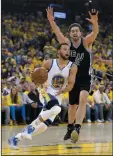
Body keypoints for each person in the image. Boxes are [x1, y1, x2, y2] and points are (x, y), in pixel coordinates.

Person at [8, 43, 78, 149]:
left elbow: (71, 85)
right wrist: (42, 83)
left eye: (68, 50)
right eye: (64, 49)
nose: (67, 51)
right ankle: (28, 130)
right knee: (57, 109)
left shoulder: (72, 67)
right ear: (59, 51)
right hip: (46, 93)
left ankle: (15, 138)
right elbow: (37, 75)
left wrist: (64, 89)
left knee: (44, 126)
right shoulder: (49, 63)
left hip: (58, 96)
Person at [47, 7, 99, 143]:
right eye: (72, 31)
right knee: (72, 106)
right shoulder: (67, 45)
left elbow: (95, 33)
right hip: (72, 79)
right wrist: (52, 21)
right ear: (70, 34)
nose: (75, 33)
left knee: (83, 99)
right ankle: (70, 128)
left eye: (77, 31)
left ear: (80, 33)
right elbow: (57, 33)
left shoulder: (86, 42)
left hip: (85, 78)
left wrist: (94, 22)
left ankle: (77, 128)